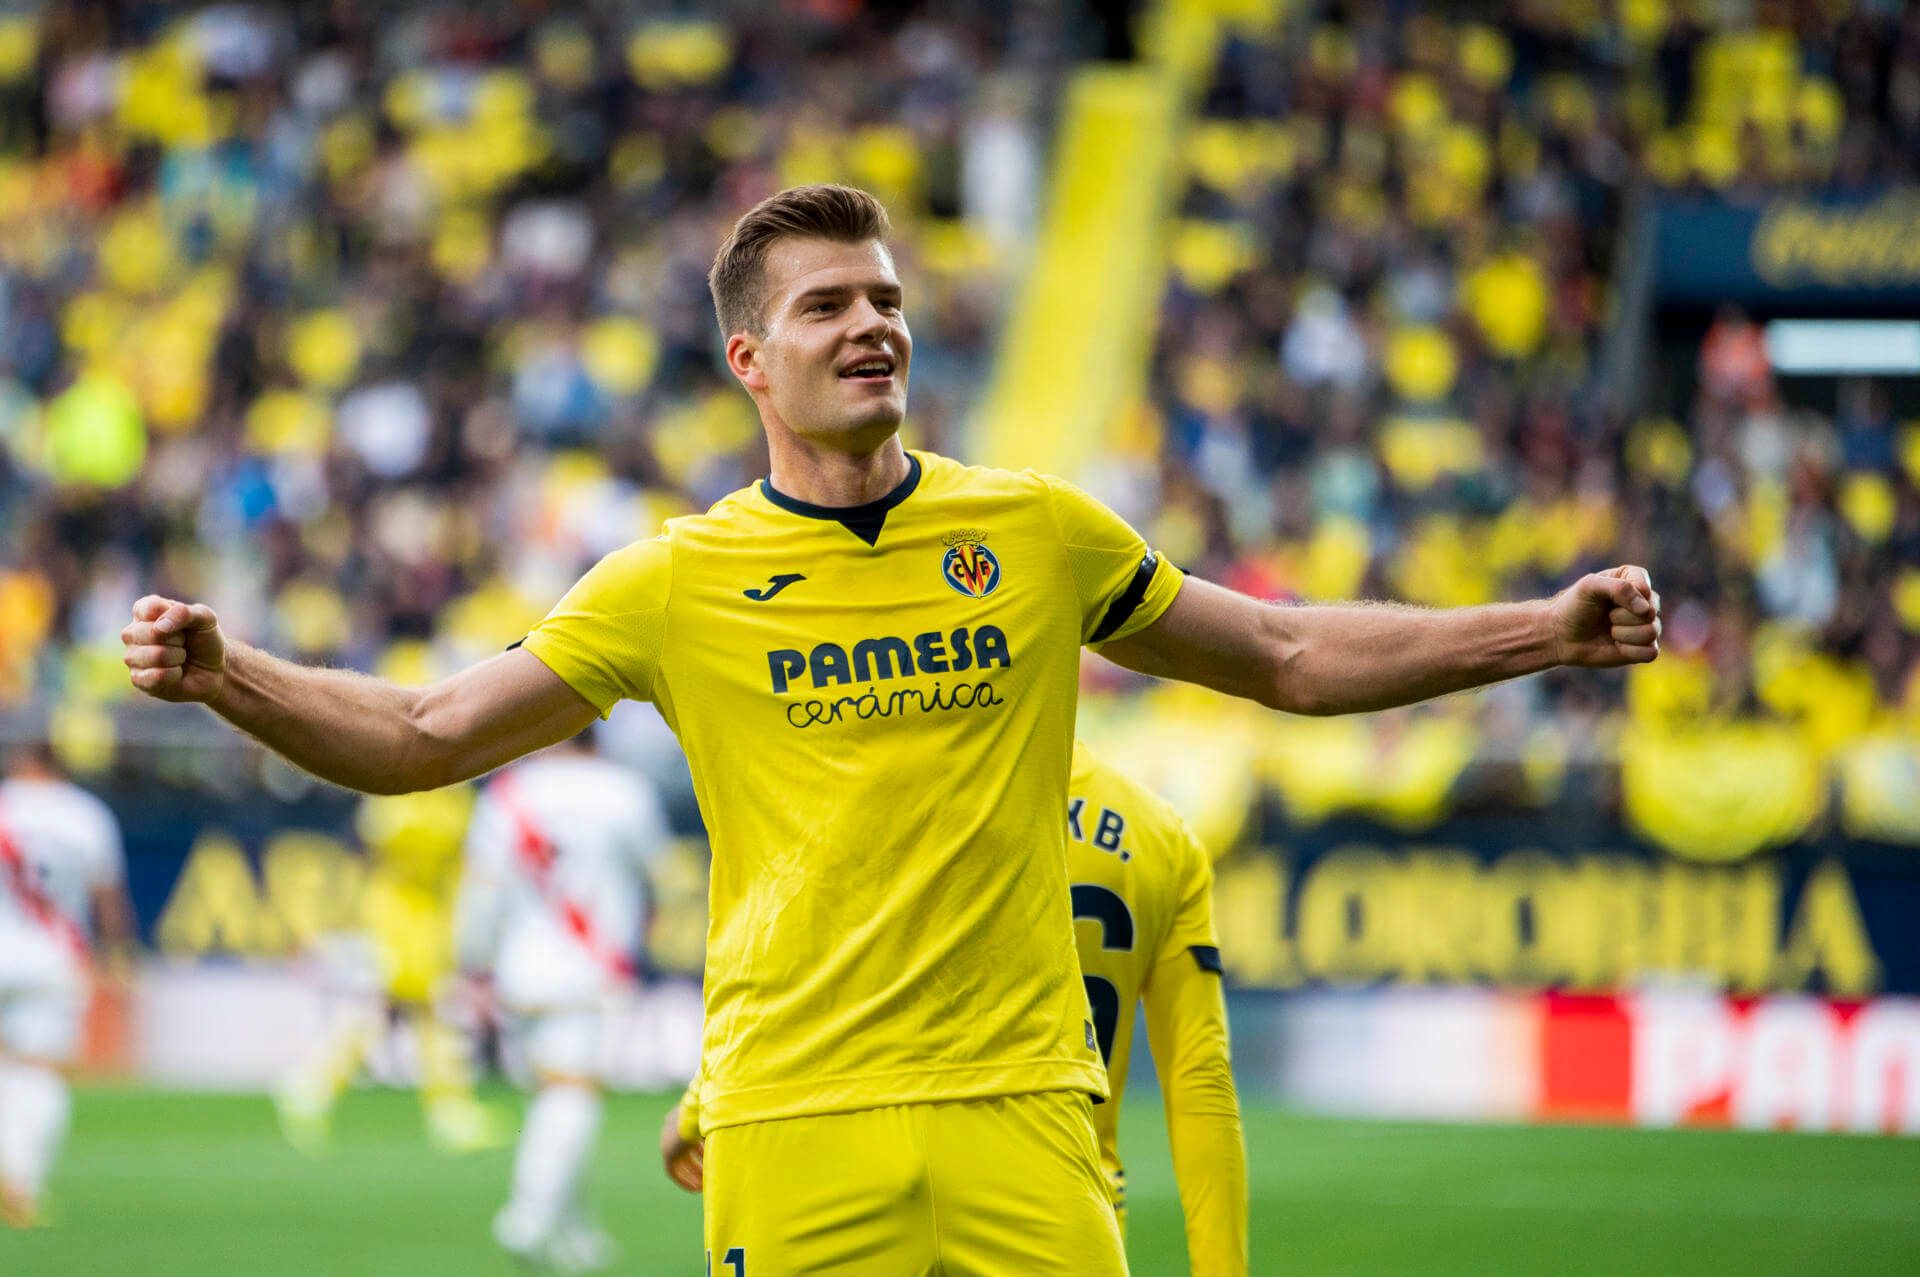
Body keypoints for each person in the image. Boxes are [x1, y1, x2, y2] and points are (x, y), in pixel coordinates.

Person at [122, 184, 1661, 1275]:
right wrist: (228, 672)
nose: (872, 326)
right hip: (791, 1119)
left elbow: (1284, 650)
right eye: (828, 306)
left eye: (888, 301)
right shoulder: (675, 578)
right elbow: (423, 731)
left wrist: (1541, 629)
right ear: (750, 361)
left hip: (1028, 1115)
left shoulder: (1038, 530)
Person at [661, 739, 1248, 1273]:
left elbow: (811, 975)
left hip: (882, 1179)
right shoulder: (1161, 836)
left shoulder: (897, 796)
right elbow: (1202, 1077)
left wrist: (694, 1109)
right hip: (1064, 1205)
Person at [452, 730, 670, 1272]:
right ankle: (528, 1218)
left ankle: (574, 1234)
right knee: (573, 1099)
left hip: (521, 971)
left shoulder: (510, 793)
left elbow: (482, 889)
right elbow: (657, 871)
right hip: (592, 968)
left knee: (551, 1099)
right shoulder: (626, 791)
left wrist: (473, 963)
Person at [274, 784, 509, 1155]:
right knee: (401, 1006)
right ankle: (444, 1109)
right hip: (394, 911)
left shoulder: (457, 794)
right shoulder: (397, 790)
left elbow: (468, 856)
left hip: (435, 912)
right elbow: (364, 847)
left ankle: (315, 1087)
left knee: (416, 1008)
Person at [0, 741, 134, 1228]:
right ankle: (20, 1181)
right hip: (53, 958)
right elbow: (107, 895)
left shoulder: (5, 804)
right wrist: (118, 956)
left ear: (25, 763)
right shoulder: (86, 814)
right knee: (42, 1070)